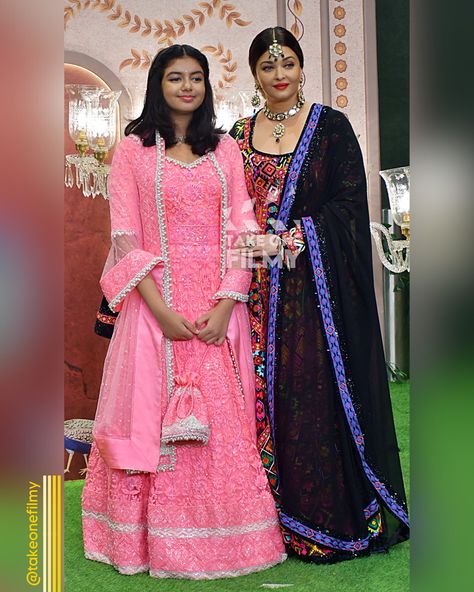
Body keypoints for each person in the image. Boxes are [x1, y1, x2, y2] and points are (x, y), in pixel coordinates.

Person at [81, 44, 286, 579]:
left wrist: (226, 302)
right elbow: (124, 236)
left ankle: (228, 539)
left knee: (222, 424)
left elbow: (244, 232)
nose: (188, 87)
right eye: (176, 78)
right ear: (158, 84)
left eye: (196, 78)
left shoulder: (225, 151)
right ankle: (142, 541)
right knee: (152, 420)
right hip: (154, 312)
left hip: (218, 311)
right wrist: (159, 311)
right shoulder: (133, 149)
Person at [230, 26, 410, 563]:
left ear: (303, 68)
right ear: (255, 74)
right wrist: (250, 253)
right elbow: (226, 212)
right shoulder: (237, 134)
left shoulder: (330, 128)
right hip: (254, 293)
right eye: (267, 66)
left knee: (310, 399)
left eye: (287, 64)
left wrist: (288, 240)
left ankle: (318, 523)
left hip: (317, 300)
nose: (278, 75)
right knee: (252, 401)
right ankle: (260, 526)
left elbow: (350, 208)